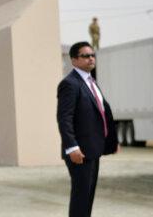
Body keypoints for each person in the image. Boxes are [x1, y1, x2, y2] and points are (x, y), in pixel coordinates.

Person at [57, 41, 118, 217]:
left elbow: (101, 113)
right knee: (81, 197)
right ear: (74, 60)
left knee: (88, 196)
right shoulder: (70, 84)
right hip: (79, 152)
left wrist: (111, 141)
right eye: (86, 56)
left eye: (93, 55)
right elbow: (64, 118)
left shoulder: (91, 82)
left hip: (93, 150)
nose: (91, 59)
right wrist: (72, 147)